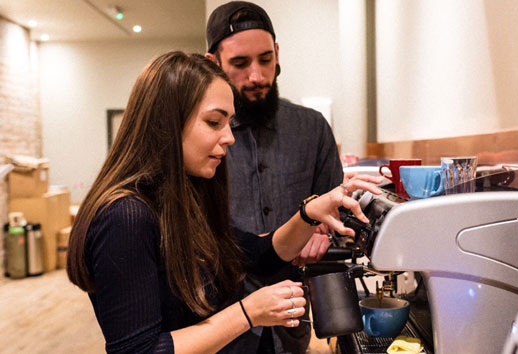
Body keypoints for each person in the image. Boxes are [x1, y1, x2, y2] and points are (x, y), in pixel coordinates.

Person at [66, 51, 381, 354]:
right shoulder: (125, 216)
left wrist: (310, 213)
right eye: (215, 122)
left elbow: (257, 255)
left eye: (229, 122)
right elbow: (139, 349)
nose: (230, 137)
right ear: (166, 124)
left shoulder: (188, 197)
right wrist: (248, 313)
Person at [205, 2, 345, 352]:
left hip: (292, 319)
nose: (257, 76)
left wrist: (321, 230)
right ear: (213, 64)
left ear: (277, 54)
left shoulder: (312, 129)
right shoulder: (200, 140)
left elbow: (332, 208)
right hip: (218, 321)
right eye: (240, 64)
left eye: (265, 60)